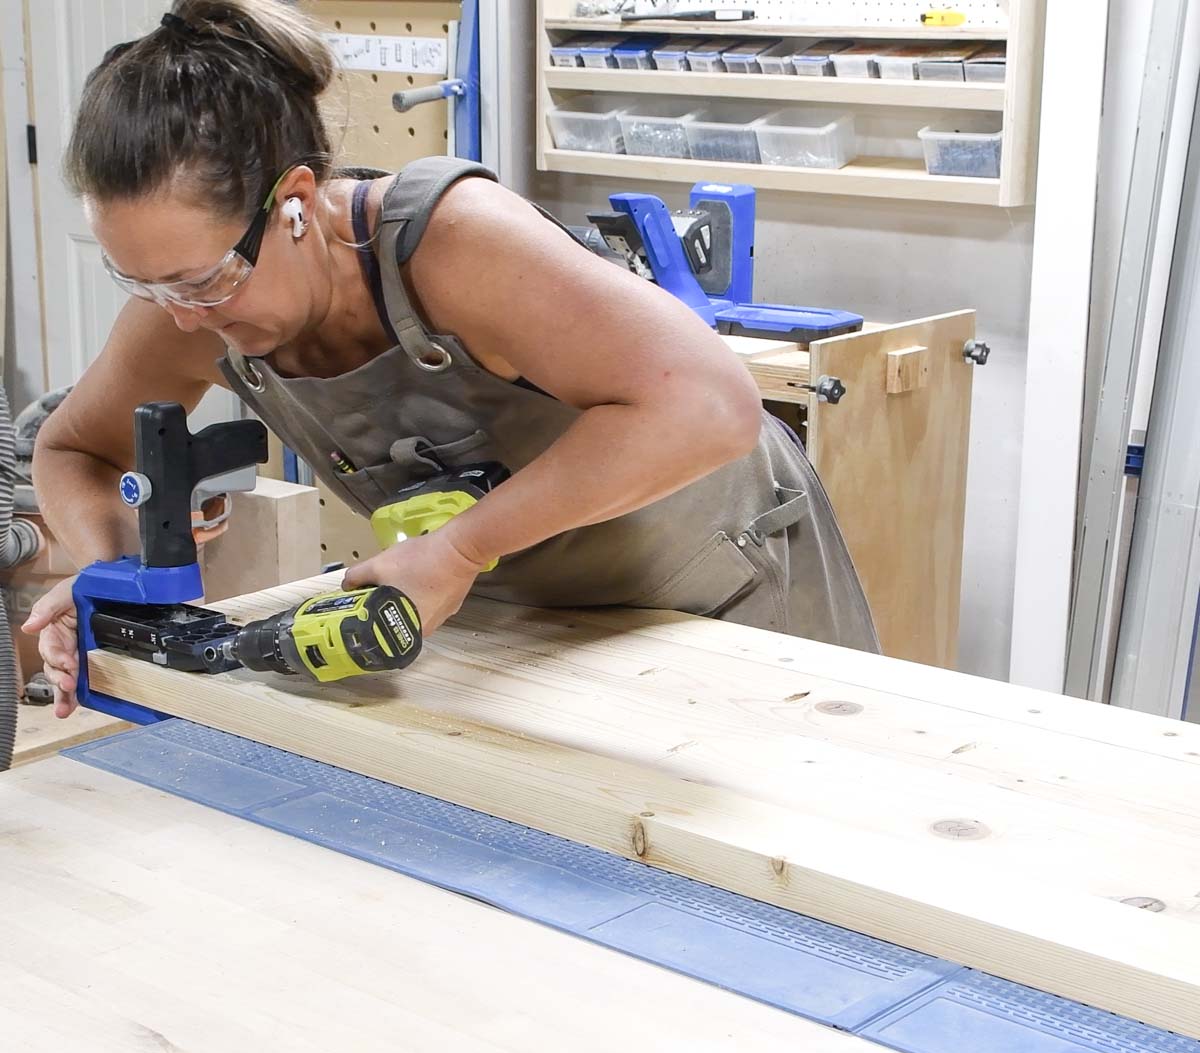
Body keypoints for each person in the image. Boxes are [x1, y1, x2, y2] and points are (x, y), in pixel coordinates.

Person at [24, 0, 878, 720]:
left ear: (292, 204)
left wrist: (463, 550)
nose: (180, 314)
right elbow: (72, 449)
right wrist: (113, 573)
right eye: (142, 282)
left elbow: (710, 406)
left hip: (723, 585)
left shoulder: (454, 241)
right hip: (527, 626)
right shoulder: (186, 311)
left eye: (204, 278)